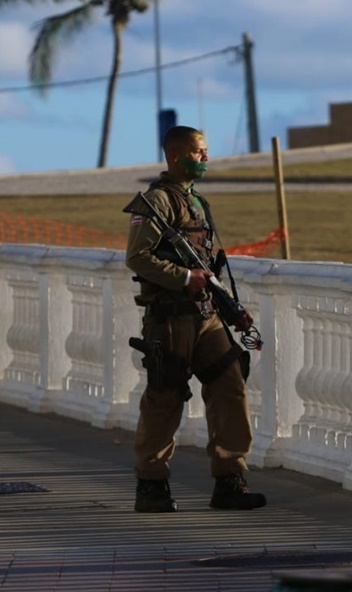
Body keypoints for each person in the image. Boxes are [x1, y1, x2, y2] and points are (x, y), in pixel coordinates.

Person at [124, 125, 266, 512]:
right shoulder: (156, 202)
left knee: (230, 387)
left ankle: (230, 479)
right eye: (197, 152)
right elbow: (138, 257)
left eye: (205, 151)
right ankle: (151, 486)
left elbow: (207, 265)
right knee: (165, 397)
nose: (204, 158)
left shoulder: (198, 203)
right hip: (169, 321)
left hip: (206, 316)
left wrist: (230, 307)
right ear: (175, 156)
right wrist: (184, 278)